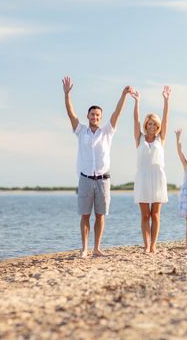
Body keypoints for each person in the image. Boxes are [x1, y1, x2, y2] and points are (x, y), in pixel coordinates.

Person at [62, 76, 132, 258]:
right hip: (85, 178)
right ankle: (84, 248)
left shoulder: (107, 132)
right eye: (92, 114)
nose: (95, 117)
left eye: (98, 115)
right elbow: (70, 113)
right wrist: (67, 94)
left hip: (103, 179)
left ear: (100, 117)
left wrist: (123, 95)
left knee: (100, 215)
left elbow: (117, 112)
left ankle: (97, 248)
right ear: (88, 116)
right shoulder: (81, 131)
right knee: (85, 215)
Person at [130, 86, 171, 253]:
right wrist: (137, 102)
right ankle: (146, 246)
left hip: (157, 177)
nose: (152, 126)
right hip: (142, 177)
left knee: (155, 215)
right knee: (145, 215)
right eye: (149, 123)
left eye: (155, 124)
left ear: (158, 126)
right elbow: (135, 120)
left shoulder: (161, 139)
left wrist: (166, 101)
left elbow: (166, 119)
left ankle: (153, 245)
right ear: (146, 125)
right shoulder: (139, 138)